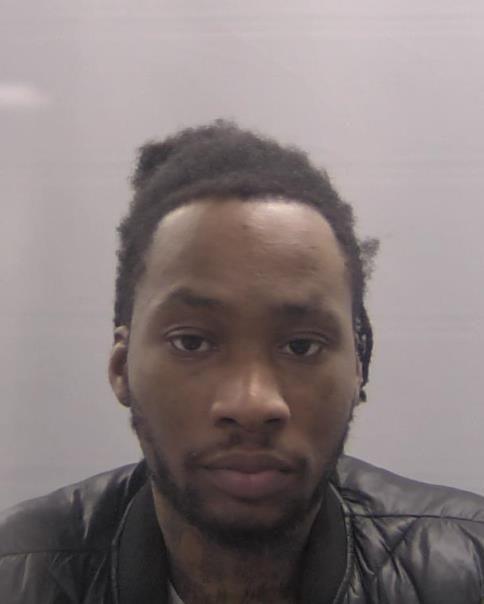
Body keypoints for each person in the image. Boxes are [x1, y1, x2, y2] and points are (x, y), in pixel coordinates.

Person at [0, 122, 483, 604]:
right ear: (121, 367)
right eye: (192, 342)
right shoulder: (18, 575)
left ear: (359, 367)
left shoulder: (469, 568)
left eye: (301, 346)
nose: (252, 405)